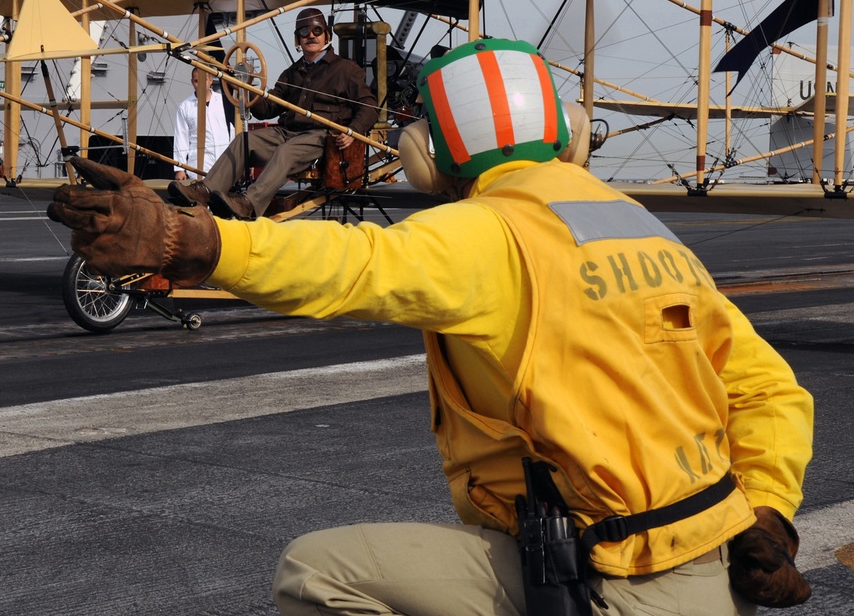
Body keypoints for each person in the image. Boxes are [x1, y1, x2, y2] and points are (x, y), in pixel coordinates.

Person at [48, 38, 813, 616]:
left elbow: (356, 264)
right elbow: (769, 390)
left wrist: (199, 241)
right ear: (570, 132)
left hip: (606, 579)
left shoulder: (493, 232)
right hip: (723, 566)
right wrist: (770, 516)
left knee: (317, 574)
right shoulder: (646, 232)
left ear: (425, 155)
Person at [169, 7, 377, 220]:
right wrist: (246, 85)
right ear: (298, 39)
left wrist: (353, 131)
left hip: (321, 137)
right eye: (304, 32)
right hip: (287, 133)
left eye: (317, 30)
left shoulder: (346, 70)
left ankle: (248, 203)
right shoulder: (292, 73)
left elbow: (369, 106)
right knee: (244, 140)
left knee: (286, 152)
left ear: (327, 35)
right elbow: (267, 109)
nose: (311, 36)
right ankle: (205, 192)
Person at [172, 67, 235, 181]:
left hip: (226, 162)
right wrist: (180, 168)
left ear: (211, 80)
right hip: (199, 166)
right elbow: (181, 138)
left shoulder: (224, 102)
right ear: (192, 82)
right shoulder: (185, 107)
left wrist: (243, 159)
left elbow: (233, 132)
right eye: (197, 81)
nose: (200, 84)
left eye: (204, 80)